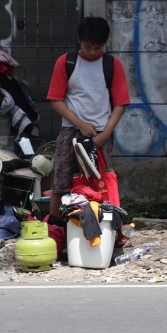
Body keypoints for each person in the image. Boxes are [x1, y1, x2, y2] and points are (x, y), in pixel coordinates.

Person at [46, 16, 130, 220]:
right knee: (61, 181)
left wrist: (103, 137)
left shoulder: (112, 65)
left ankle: (100, 226)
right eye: (87, 46)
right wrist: (80, 124)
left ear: (105, 44)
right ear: (79, 40)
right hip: (71, 131)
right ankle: (57, 229)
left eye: (98, 47)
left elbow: (120, 105)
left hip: (102, 132)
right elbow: (55, 100)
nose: (92, 52)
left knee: (99, 183)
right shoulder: (66, 62)